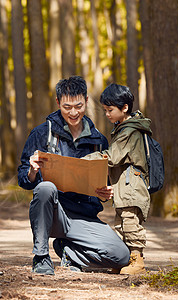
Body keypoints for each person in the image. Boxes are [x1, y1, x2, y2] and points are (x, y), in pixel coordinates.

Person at [17, 76, 130, 275]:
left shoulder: (98, 140)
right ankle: (41, 257)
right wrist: (33, 170)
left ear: (86, 101)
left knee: (121, 256)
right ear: (58, 103)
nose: (73, 112)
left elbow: (103, 185)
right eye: (67, 107)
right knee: (45, 187)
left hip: (83, 218)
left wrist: (105, 192)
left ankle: (69, 253)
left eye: (78, 106)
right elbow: (24, 180)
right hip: (53, 215)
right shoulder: (42, 134)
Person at [85, 83, 152, 275]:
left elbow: (112, 156)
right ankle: (124, 259)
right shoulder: (123, 128)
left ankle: (137, 260)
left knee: (131, 223)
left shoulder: (129, 131)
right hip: (124, 186)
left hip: (133, 185)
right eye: (105, 110)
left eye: (110, 110)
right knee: (121, 224)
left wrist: (86, 160)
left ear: (125, 108)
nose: (107, 114)